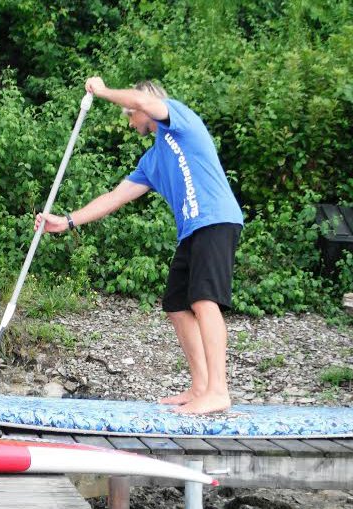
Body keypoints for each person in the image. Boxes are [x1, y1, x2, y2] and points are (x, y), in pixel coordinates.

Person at [36, 77, 244, 414]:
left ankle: (218, 391)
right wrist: (67, 221)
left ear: (145, 107)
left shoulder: (179, 121)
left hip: (215, 219)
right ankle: (200, 386)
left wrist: (103, 92)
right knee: (176, 305)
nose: (130, 122)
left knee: (204, 300)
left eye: (130, 114)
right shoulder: (152, 160)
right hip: (192, 230)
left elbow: (143, 101)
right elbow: (114, 198)